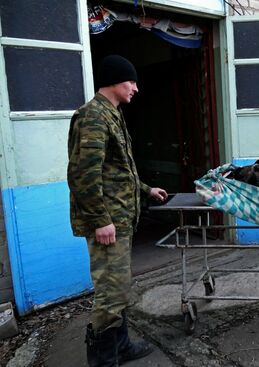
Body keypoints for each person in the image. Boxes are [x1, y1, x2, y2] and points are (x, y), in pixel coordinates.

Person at [67, 55, 168, 367]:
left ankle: (120, 348)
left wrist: (146, 189)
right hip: (108, 222)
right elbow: (84, 175)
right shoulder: (93, 116)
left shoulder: (112, 114)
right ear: (114, 79)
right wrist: (100, 220)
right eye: (131, 81)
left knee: (119, 289)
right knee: (110, 293)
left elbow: (119, 169)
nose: (136, 88)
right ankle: (103, 360)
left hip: (120, 218)